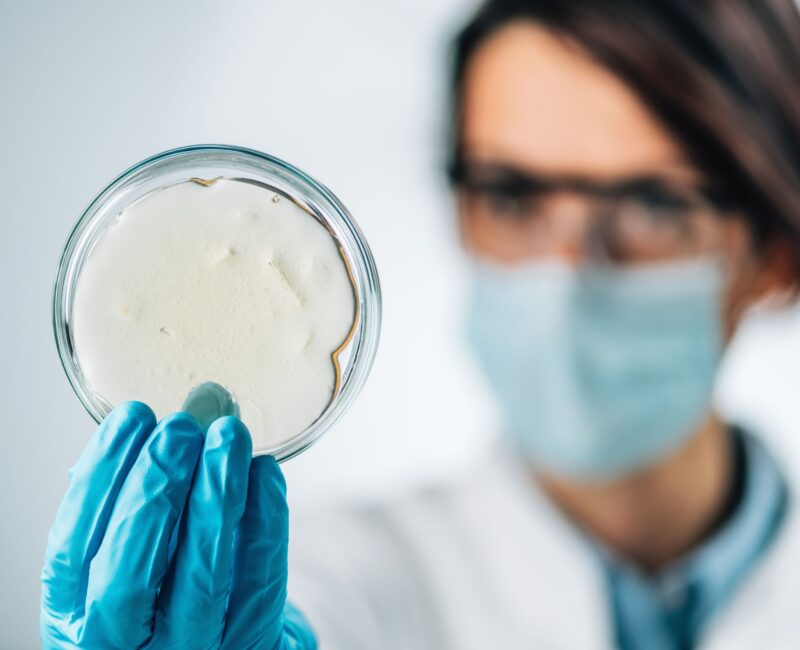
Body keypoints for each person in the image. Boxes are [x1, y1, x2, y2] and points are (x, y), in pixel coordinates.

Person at [41, 1, 800, 648]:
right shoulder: (337, 580)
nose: (567, 270)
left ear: (777, 254)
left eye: (652, 206)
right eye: (511, 195)